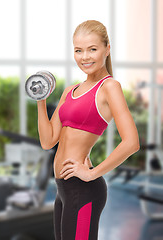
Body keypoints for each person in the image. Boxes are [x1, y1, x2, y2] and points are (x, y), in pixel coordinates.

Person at [37, 20, 140, 240]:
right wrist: (41, 101)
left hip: (82, 190)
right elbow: (48, 141)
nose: (85, 57)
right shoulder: (70, 90)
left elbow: (131, 142)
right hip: (63, 189)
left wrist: (92, 173)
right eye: (78, 50)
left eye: (92, 49)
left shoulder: (109, 88)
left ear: (107, 49)